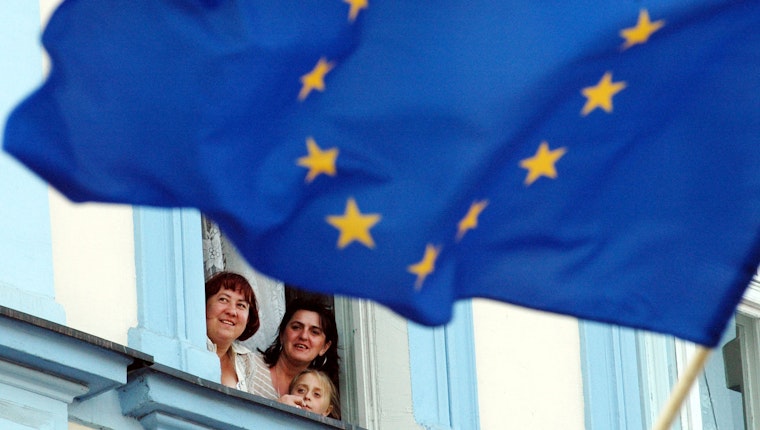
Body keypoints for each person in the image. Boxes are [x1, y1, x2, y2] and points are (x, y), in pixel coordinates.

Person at [249, 297, 340, 402]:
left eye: (315, 332)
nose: (304, 336)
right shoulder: (249, 366)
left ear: (325, 347)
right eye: (296, 327)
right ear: (282, 335)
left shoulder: (319, 396)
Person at [205, 271, 260, 392]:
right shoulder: (192, 346)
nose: (232, 311)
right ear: (204, 305)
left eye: (241, 305)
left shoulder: (246, 361)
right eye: (223, 299)